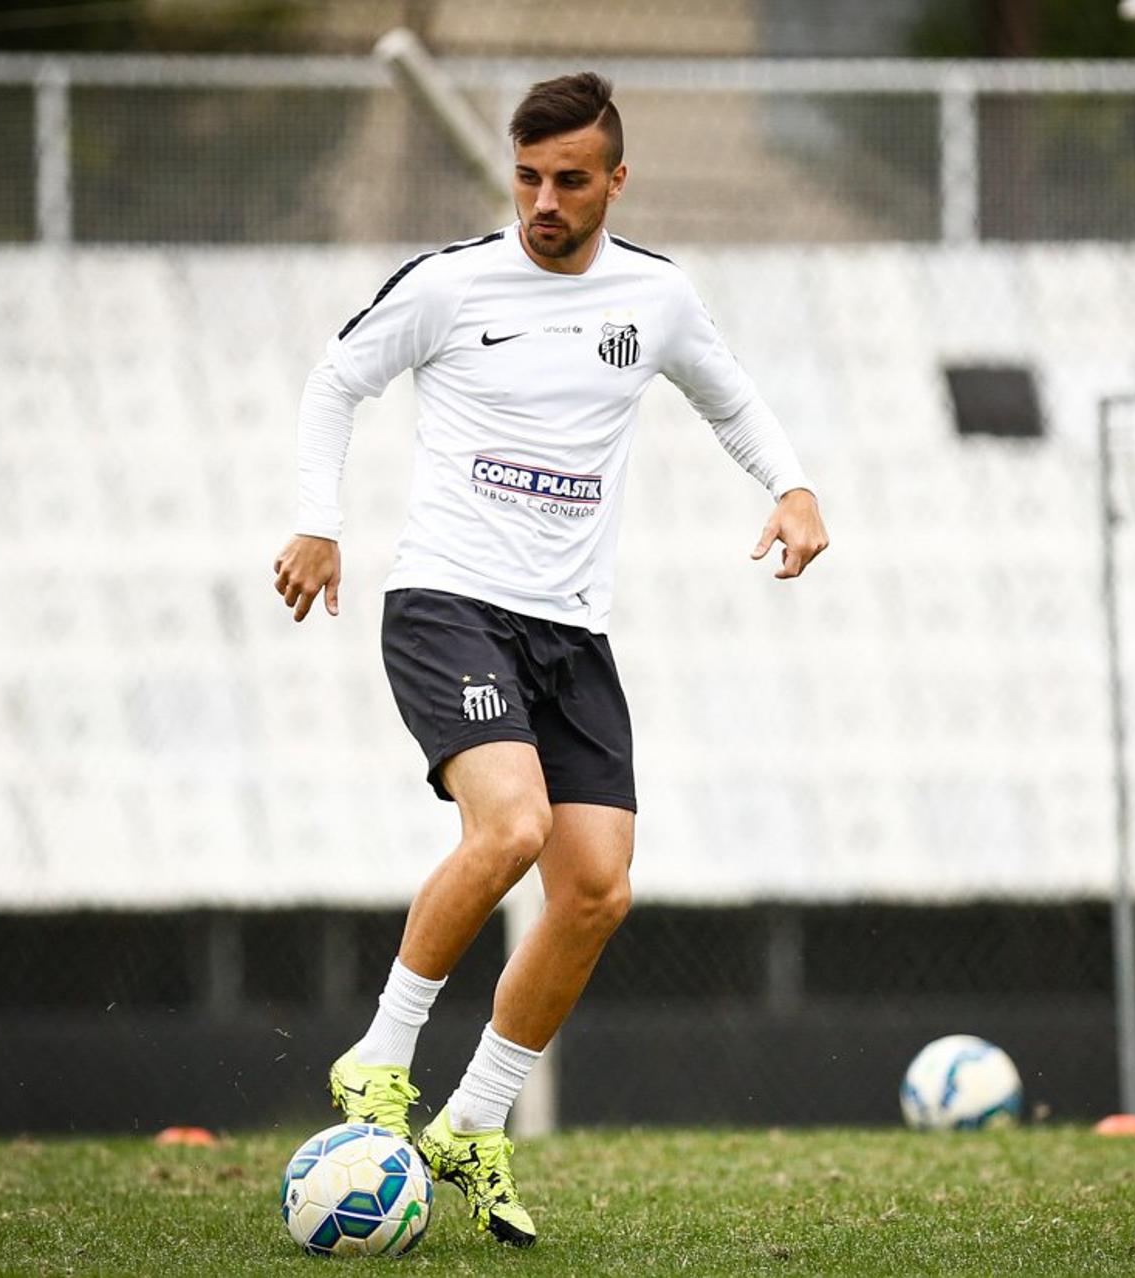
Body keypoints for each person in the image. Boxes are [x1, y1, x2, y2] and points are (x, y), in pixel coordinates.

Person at [270, 72, 827, 1248]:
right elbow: (337, 380)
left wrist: (792, 489)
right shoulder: (451, 285)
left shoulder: (658, 298)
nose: (543, 201)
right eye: (527, 177)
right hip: (447, 604)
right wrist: (318, 521)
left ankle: (475, 1120)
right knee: (511, 829)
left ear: (616, 182)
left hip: (570, 632)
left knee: (594, 889)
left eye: (570, 180)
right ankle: (378, 1060)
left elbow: (732, 401)